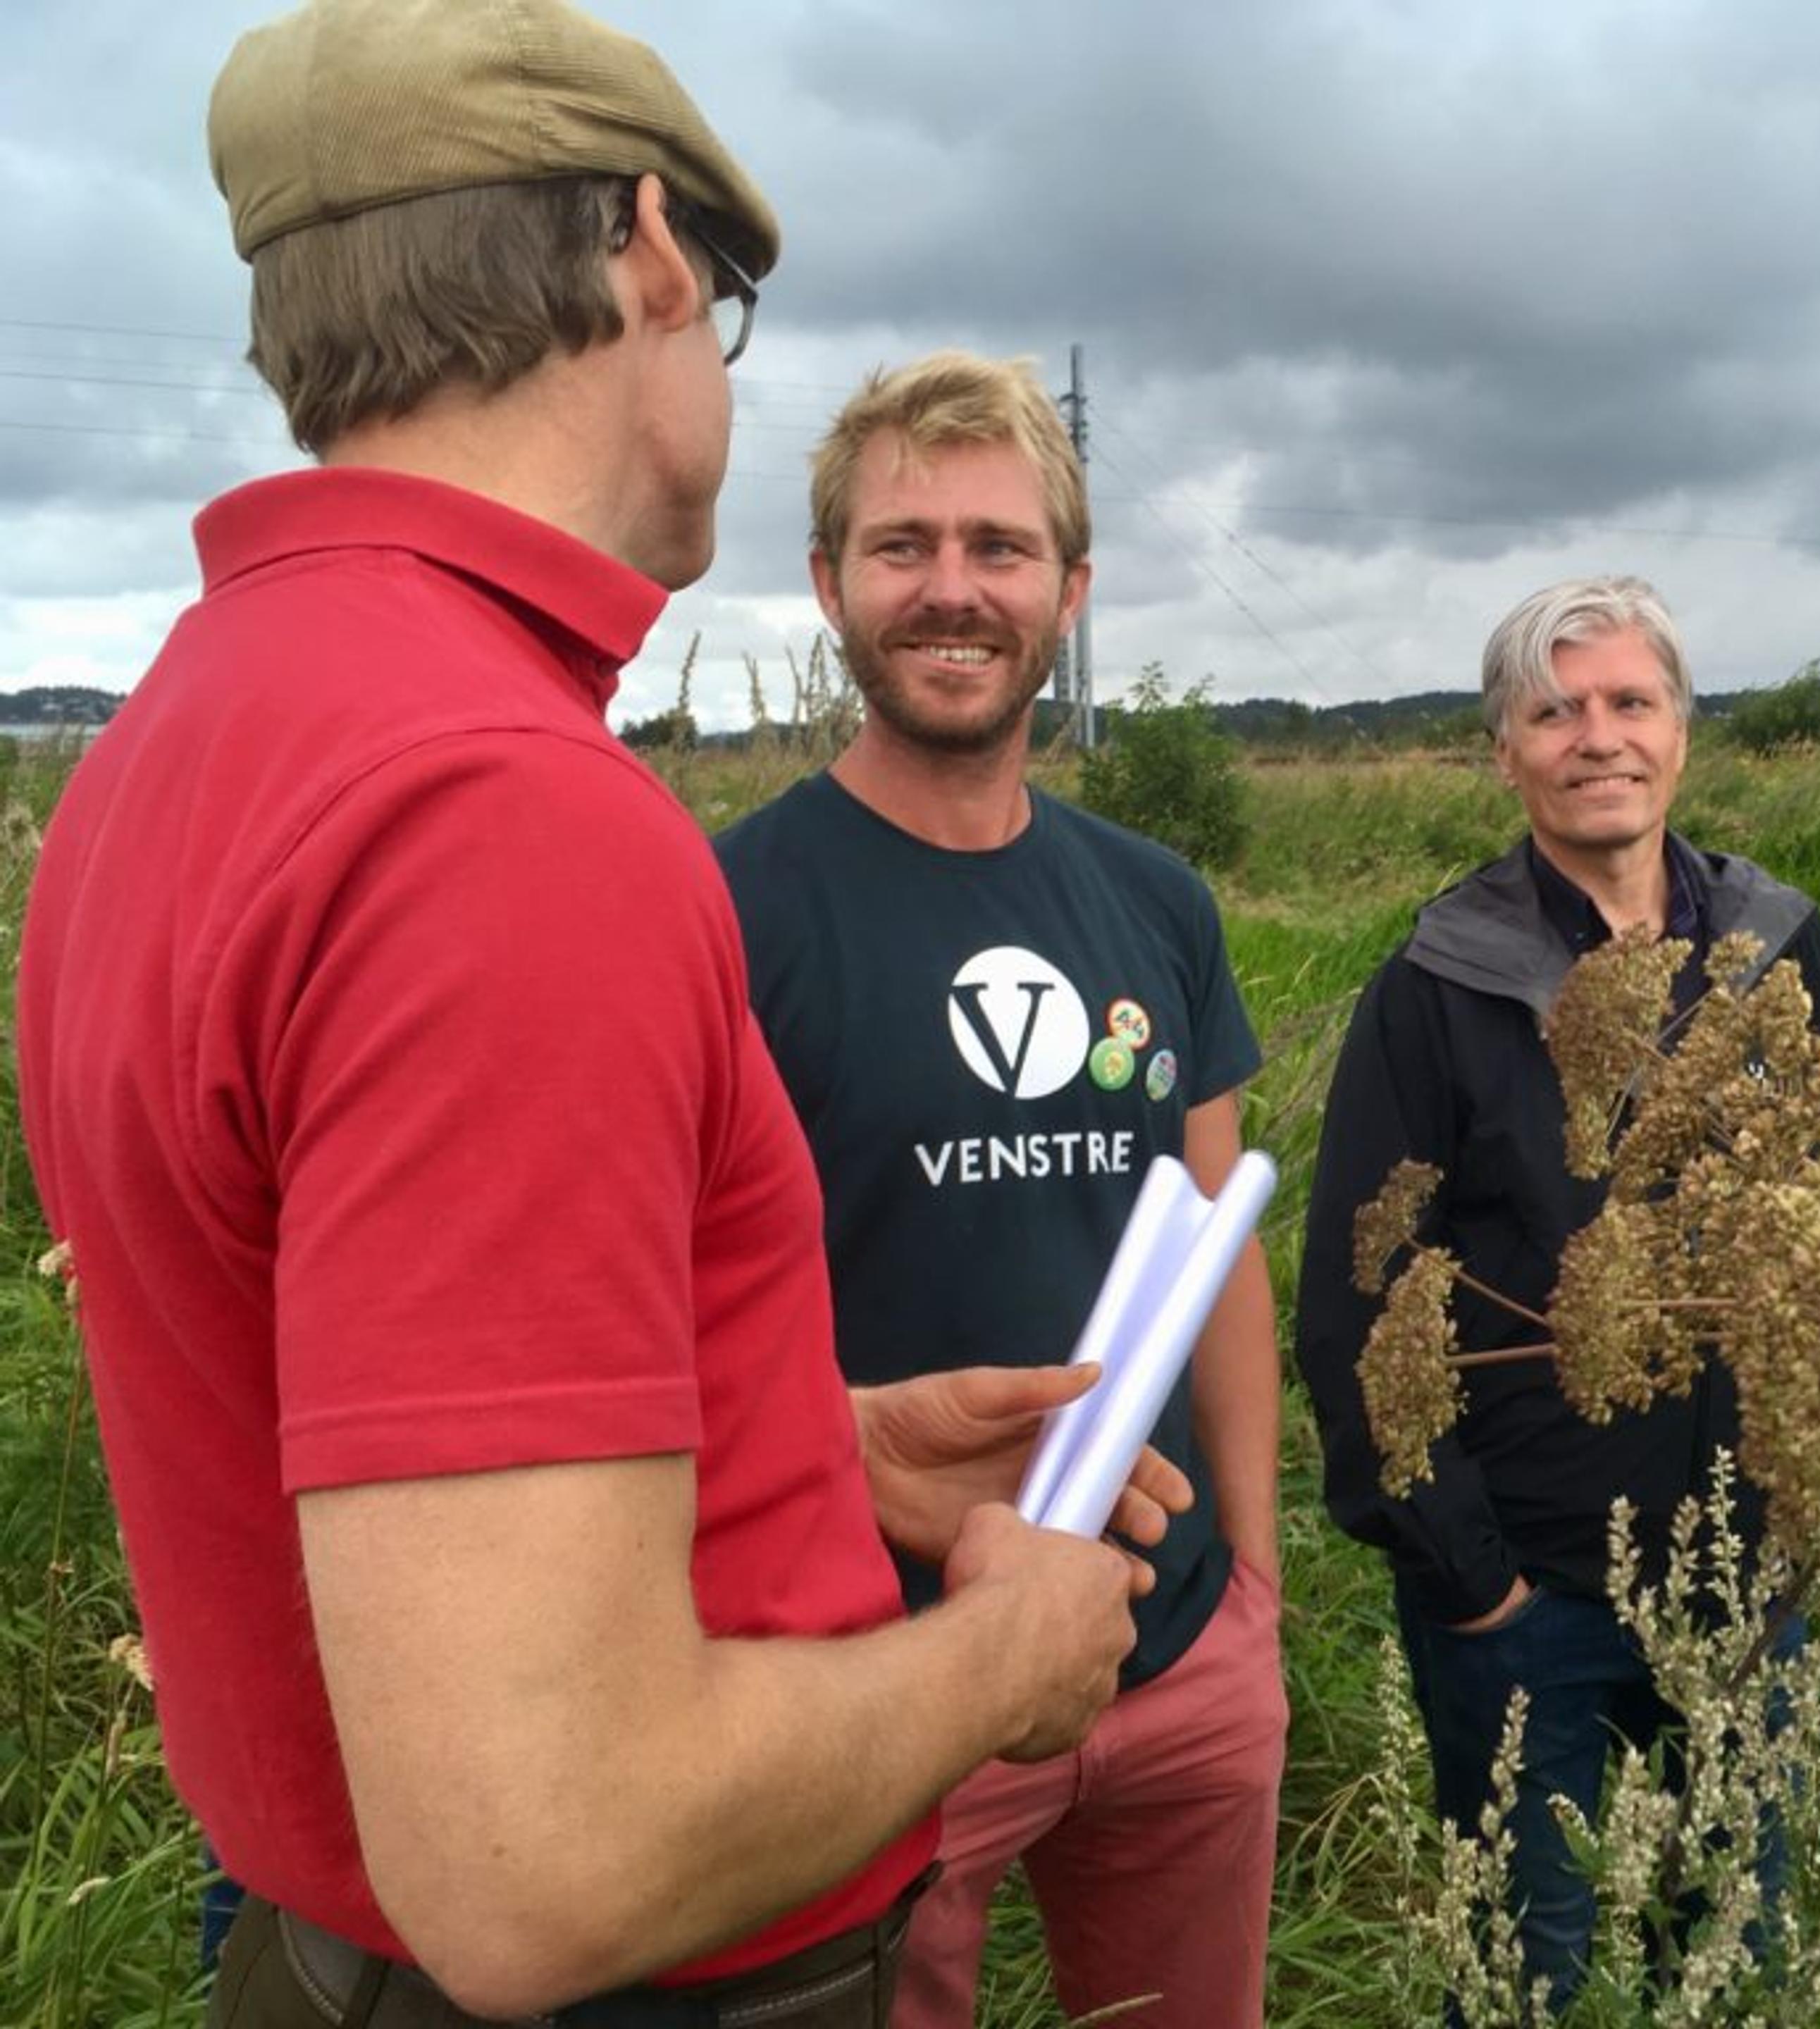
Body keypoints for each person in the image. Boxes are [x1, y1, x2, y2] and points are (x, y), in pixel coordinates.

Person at [16, 8, 1168, 2025]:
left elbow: (373, 1424)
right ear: (646, 253)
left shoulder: (187, 733)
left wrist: (815, 1448)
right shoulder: (499, 813)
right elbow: (547, 1860)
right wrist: (1005, 1658)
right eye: (719, 302)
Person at [714, 352, 1287, 2029]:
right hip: (870, 1686)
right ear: (829, 583)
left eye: (1000, 547)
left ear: (1070, 592)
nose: (952, 589)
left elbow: (1216, 1255)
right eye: (902, 546)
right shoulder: (724, 910)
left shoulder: (1156, 903)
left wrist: (1253, 1593)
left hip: (1175, 1657)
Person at [1294, 575, 1820, 2008]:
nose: (1598, 737)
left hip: (1748, 1575)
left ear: (1682, 729)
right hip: (1532, 1586)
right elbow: (1359, 1305)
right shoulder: (1441, 981)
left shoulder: (1778, 947)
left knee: (1729, 1963)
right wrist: (1473, 1583)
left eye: (1631, 701)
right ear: (1504, 751)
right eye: (1555, 712)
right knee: (1527, 1975)